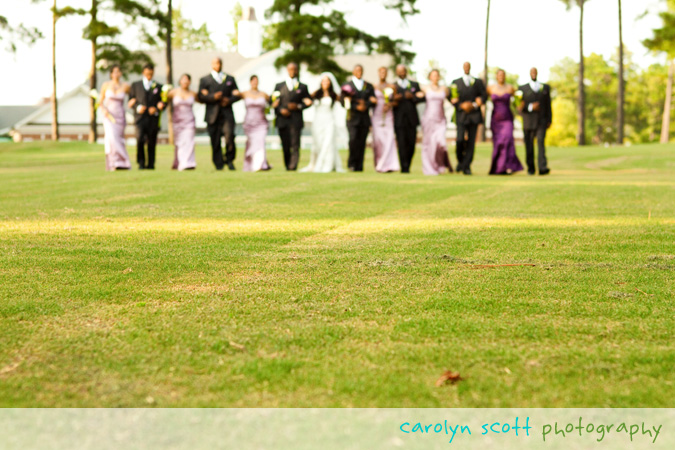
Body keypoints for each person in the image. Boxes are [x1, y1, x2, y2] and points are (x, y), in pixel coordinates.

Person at [198, 57, 240, 171]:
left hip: (227, 114)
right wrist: (213, 96)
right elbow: (200, 97)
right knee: (215, 140)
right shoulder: (205, 80)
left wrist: (229, 100)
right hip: (212, 115)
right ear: (212, 65)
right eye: (215, 63)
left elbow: (237, 95)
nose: (217, 65)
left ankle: (230, 160)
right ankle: (218, 164)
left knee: (229, 136)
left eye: (219, 63)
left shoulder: (230, 79)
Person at [300, 73, 345, 173]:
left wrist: (346, 97)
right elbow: (307, 101)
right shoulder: (316, 94)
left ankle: (327, 165)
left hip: (329, 121)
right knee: (318, 143)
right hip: (318, 122)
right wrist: (306, 101)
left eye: (327, 81)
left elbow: (343, 103)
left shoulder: (333, 95)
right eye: (323, 81)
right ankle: (317, 163)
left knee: (328, 143)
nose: (325, 82)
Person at [272, 63, 313, 171]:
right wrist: (281, 110)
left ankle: (293, 166)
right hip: (282, 120)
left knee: (295, 144)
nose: (293, 71)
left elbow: (308, 102)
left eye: (295, 69)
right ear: (287, 70)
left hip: (296, 120)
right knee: (285, 144)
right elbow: (273, 103)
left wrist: (298, 106)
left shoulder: (303, 87)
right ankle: (287, 164)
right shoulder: (279, 86)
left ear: (297, 71)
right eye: (290, 69)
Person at [450, 62, 487, 175]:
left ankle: (467, 166)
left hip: (474, 115)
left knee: (471, 142)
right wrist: (461, 105)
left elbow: (484, 96)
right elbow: (452, 97)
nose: (466, 68)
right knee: (460, 139)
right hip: (461, 115)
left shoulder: (478, 82)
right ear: (463, 68)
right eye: (465, 66)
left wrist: (475, 104)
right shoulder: (456, 82)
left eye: (468, 66)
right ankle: (461, 162)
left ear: (470, 68)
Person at [487, 69, 524, 175]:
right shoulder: (490, 88)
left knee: (507, 140)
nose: (501, 76)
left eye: (503, 75)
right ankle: (498, 168)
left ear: (505, 76)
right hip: (495, 120)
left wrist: (519, 106)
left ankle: (509, 166)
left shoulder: (510, 88)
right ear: (496, 76)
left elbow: (518, 102)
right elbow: (484, 101)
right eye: (499, 75)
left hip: (507, 118)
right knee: (498, 143)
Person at [128, 63, 165, 170]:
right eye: (147, 73)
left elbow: (163, 102)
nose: (149, 75)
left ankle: (151, 164)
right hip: (140, 118)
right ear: (143, 72)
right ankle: (141, 163)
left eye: (151, 73)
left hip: (153, 119)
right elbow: (131, 101)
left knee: (152, 141)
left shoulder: (159, 86)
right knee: (140, 139)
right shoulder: (135, 85)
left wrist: (157, 108)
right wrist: (137, 107)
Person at [417, 69, 452, 176]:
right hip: (428, 119)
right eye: (433, 75)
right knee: (429, 144)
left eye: (437, 75)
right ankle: (429, 168)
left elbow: (452, 98)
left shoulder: (444, 89)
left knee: (440, 143)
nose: (435, 77)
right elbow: (417, 96)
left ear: (439, 77)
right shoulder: (425, 88)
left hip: (440, 120)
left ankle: (440, 165)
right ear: (430, 77)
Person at [342, 64, 376, 172]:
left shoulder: (369, 86)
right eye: (357, 70)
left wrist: (366, 104)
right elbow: (343, 101)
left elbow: (373, 100)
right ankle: (351, 164)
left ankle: (359, 166)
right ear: (353, 72)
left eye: (360, 70)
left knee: (362, 142)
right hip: (352, 118)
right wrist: (356, 106)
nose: (359, 72)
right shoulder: (347, 85)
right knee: (353, 140)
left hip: (364, 119)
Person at [518, 67, 552, 176]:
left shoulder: (545, 87)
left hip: (541, 121)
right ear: (529, 74)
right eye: (532, 72)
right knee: (529, 145)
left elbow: (548, 105)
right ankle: (531, 168)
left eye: (535, 72)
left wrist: (549, 120)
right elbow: (519, 107)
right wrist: (531, 107)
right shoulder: (522, 89)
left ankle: (542, 167)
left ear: (537, 73)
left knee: (541, 142)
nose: (533, 74)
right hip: (528, 121)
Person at [393, 64, 425, 173]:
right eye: (399, 71)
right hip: (399, 120)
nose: (402, 73)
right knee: (401, 144)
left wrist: (413, 97)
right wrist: (395, 99)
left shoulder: (414, 84)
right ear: (397, 72)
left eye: (403, 71)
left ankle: (408, 165)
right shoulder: (393, 86)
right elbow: (389, 101)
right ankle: (404, 167)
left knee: (411, 144)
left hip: (412, 119)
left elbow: (422, 98)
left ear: (406, 72)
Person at [99, 64, 132, 171]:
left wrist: (133, 102)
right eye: (114, 71)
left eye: (118, 71)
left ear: (121, 73)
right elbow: (100, 101)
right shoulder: (106, 85)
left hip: (120, 116)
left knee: (119, 139)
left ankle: (123, 163)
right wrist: (103, 109)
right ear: (111, 74)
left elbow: (134, 96)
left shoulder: (125, 86)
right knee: (111, 138)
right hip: (109, 116)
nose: (116, 73)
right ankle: (114, 162)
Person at [371, 67, 400, 173]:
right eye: (381, 72)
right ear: (378, 73)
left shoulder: (392, 86)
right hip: (377, 115)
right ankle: (379, 164)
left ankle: (389, 165)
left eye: (385, 72)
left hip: (388, 115)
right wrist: (373, 100)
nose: (383, 73)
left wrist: (390, 104)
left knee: (389, 139)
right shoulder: (373, 86)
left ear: (387, 73)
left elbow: (397, 101)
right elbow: (369, 99)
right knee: (378, 140)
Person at [240, 75, 271, 172]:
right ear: (250, 82)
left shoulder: (264, 94)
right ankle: (250, 164)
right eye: (253, 81)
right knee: (251, 144)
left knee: (261, 142)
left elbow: (271, 105)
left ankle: (260, 164)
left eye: (256, 81)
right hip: (249, 122)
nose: (255, 83)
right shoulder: (244, 93)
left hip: (261, 122)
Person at [168, 74, 198, 171]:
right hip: (177, 120)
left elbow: (203, 99)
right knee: (179, 142)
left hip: (189, 120)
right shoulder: (173, 92)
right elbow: (164, 101)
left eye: (187, 80)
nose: (185, 81)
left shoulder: (193, 93)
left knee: (189, 141)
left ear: (189, 82)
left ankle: (188, 163)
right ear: (180, 81)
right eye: (183, 79)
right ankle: (179, 162)